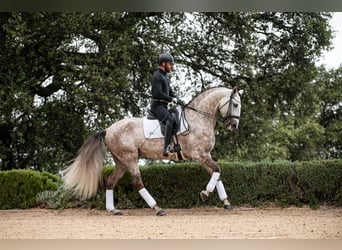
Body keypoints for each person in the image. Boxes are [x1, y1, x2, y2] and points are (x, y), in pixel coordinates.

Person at [150, 52, 184, 156]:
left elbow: (170, 92)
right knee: (170, 119)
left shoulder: (165, 77)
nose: (172, 67)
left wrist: (179, 100)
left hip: (164, 106)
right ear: (163, 64)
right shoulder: (157, 76)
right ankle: (166, 147)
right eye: (170, 64)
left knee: (176, 114)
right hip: (157, 106)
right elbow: (158, 93)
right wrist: (172, 99)